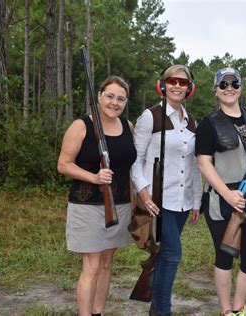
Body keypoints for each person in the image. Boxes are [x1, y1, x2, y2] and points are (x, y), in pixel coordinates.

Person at [195, 67, 246, 316]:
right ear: (215, 90)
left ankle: (239, 309)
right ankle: (225, 311)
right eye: (223, 84)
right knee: (225, 257)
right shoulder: (209, 124)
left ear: (240, 87)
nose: (229, 88)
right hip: (221, 199)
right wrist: (227, 194)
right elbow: (203, 163)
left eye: (234, 83)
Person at [57, 76, 136, 316]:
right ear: (99, 96)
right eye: (110, 96)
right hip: (87, 206)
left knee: (106, 264)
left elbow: (130, 169)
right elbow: (63, 164)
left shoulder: (128, 127)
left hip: (120, 205)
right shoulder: (81, 126)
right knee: (91, 266)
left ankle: (98, 312)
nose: (115, 102)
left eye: (120, 98)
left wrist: (135, 202)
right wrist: (94, 178)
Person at [131, 65, 202, 316]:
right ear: (162, 85)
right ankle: (163, 311)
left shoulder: (191, 120)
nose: (177, 86)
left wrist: (196, 200)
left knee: (163, 256)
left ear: (189, 89)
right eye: (172, 81)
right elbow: (135, 161)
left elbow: (194, 164)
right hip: (158, 201)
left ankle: (154, 307)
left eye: (183, 83)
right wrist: (144, 192)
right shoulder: (150, 117)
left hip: (182, 201)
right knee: (172, 255)